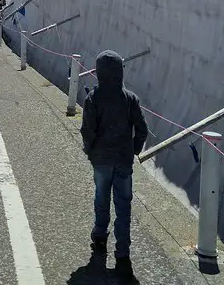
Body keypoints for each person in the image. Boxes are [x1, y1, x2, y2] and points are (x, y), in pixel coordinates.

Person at [80, 51, 148, 279]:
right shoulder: (130, 99)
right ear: (120, 72)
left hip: (101, 160)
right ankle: (122, 251)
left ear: (99, 72)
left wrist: (89, 150)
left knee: (101, 197)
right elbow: (142, 130)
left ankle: (100, 236)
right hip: (123, 160)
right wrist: (134, 149)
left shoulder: (93, 99)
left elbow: (88, 130)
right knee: (123, 205)